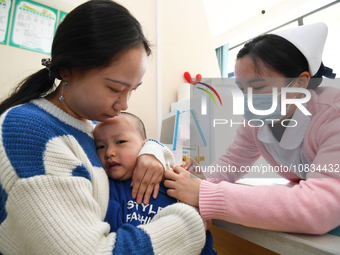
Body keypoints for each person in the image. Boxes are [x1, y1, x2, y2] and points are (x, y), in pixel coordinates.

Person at [0, 1, 206, 254]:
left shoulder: (90, 125)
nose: (123, 104)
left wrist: (150, 151)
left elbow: (130, 134)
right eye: (115, 89)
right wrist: (194, 218)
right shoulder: (28, 132)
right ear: (68, 71)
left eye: (132, 90)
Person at [164, 22, 340, 235]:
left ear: (300, 83)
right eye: (241, 89)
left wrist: (205, 192)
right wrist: (198, 179)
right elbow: (231, 163)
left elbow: (319, 207)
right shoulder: (255, 123)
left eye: (257, 87)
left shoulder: (333, 114)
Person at [93, 112, 216, 255]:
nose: (109, 152)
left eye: (120, 142)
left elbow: (206, 222)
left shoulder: (171, 178)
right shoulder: (107, 190)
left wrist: (198, 181)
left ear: (144, 147)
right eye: (100, 146)